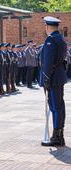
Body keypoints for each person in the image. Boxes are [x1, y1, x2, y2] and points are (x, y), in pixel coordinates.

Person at [40, 16, 67, 147]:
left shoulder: (51, 39)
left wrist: (45, 78)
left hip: (52, 78)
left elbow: (48, 62)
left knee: (55, 107)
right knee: (59, 106)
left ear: (47, 26)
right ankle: (59, 135)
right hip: (58, 77)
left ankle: (57, 137)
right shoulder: (61, 38)